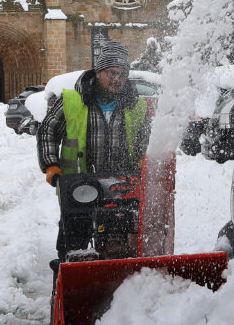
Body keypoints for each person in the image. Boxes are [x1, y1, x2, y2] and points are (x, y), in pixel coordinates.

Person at [37, 40, 151, 261]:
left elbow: (144, 141)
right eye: (111, 72)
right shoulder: (72, 100)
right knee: (74, 241)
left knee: (123, 241)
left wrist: (142, 160)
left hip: (122, 187)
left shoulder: (136, 106)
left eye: (122, 73)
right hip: (79, 187)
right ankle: (66, 277)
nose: (117, 78)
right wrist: (51, 165)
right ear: (98, 72)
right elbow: (47, 130)